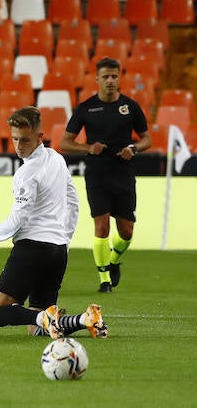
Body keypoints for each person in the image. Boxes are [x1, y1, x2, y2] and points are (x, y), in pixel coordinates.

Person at [0, 107, 108, 340]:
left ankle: (47, 317)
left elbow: (21, 216)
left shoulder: (26, 173)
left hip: (32, 250)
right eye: (14, 139)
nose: (18, 146)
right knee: (39, 328)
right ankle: (86, 320)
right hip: (57, 251)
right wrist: (64, 239)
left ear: (39, 137)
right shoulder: (57, 158)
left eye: (25, 140)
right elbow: (73, 201)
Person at [59, 57, 151, 293]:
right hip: (97, 174)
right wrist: (88, 147)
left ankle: (114, 259)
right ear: (97, 79)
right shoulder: (86, 108)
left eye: (114, 76)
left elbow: (147, 138)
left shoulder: (130, 107)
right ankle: (104, 280)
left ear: (119, 78)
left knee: (126, 231)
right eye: (106, 76)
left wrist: (133, 148)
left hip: (123, 173)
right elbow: (65, 142)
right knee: (101, 227)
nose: (110, 80)